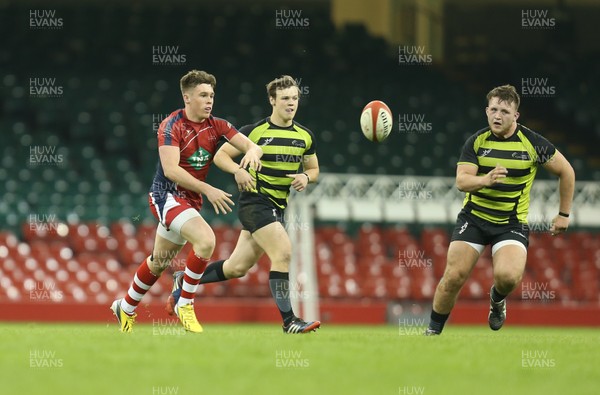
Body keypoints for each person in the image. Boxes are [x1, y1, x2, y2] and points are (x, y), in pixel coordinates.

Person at [165, 75, 321, 334]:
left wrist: (306, 176)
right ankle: (290, 321)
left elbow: (314, 169)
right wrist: (239, 171)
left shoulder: (305, 136)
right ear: (272, 100)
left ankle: (184, 281)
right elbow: (220, 156)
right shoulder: (255, 131)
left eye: (295, 98)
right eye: (285, 99)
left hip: (277, 208)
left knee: (237, 267)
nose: (291, 103)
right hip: (255, 203)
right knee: (283, 252)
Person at [110, 70, 263, 333]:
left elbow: (252, 146)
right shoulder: (171, 126)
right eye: (203, 95)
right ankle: (185, 302)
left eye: (212, 95)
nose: (209, 101)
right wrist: (209, 189)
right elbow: (171, 170)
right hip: (166, 195)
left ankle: (124, 307)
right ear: (187, 97)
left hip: (189, 200)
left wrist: (248, 159)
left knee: (159, 261)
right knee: (206, 240)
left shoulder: (218, 125)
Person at [425, 84, 575, 335]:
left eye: (504, 111)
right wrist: (485, 180)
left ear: (516, 116)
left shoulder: (532, 143)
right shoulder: (476, 142)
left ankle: (497, 299)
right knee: (453, 277)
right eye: (493, 109)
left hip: (510, 224)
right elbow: (462, 181)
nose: (497, 116)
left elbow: (566, 171)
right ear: (486, 111)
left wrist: (564, 214)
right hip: (474, 219)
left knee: (507, 278)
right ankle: (432, 333)